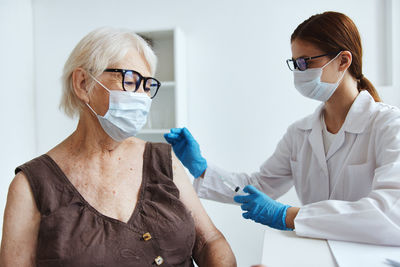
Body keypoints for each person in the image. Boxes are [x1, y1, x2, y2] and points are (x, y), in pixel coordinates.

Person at [0, 27, 236, 267]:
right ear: (83, 84)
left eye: (146, 86)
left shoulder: (162, 160)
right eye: (131, 80)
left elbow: (210, 241)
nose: (142, 97)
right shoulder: (30, 185)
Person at [165, 12, 400, 245]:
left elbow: (391, 213)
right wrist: (202, 169)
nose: (300, 71)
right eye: (296, 63)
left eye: (306, 62)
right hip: (316, 251)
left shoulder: (388, 125)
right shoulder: (300, 133)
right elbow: (261, 186)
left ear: (343, 61)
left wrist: (288, 216)